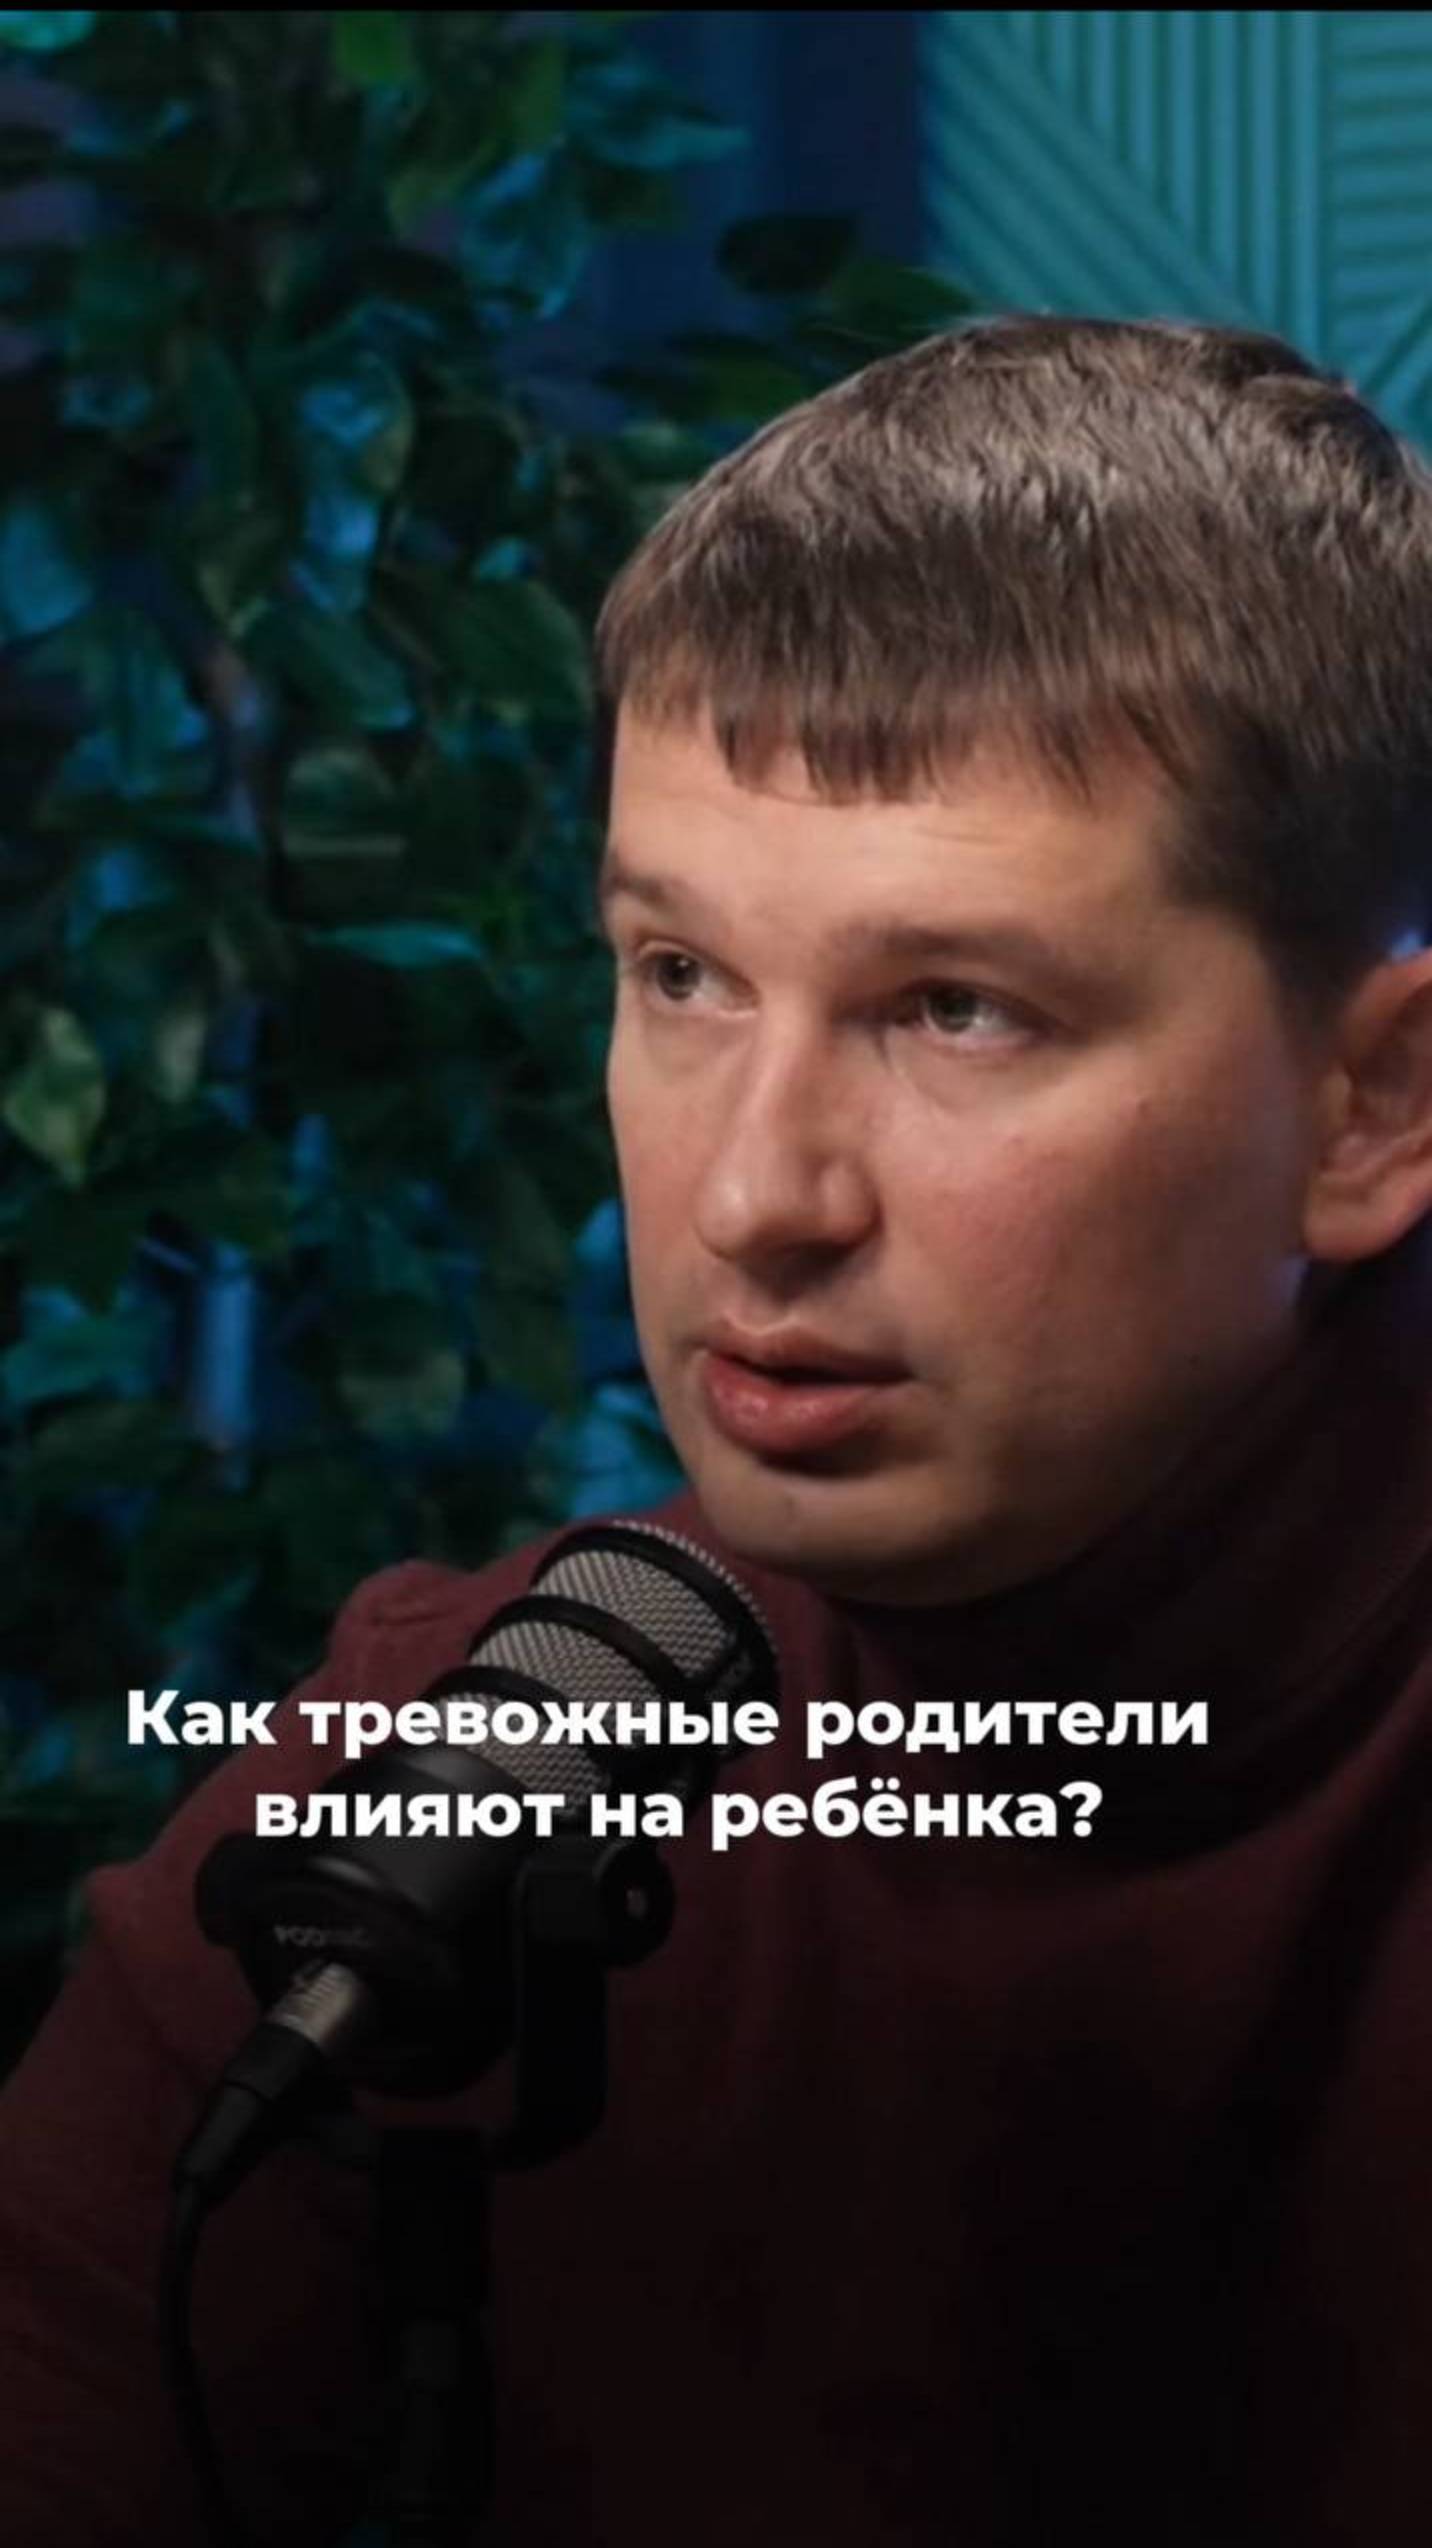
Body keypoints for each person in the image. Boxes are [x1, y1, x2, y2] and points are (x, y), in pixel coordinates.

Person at [5, 312, 1432, 2548]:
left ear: (1372, 1104)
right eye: (679, 975)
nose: (754, 1195)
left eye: (954, 1009)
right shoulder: (462, 1757)